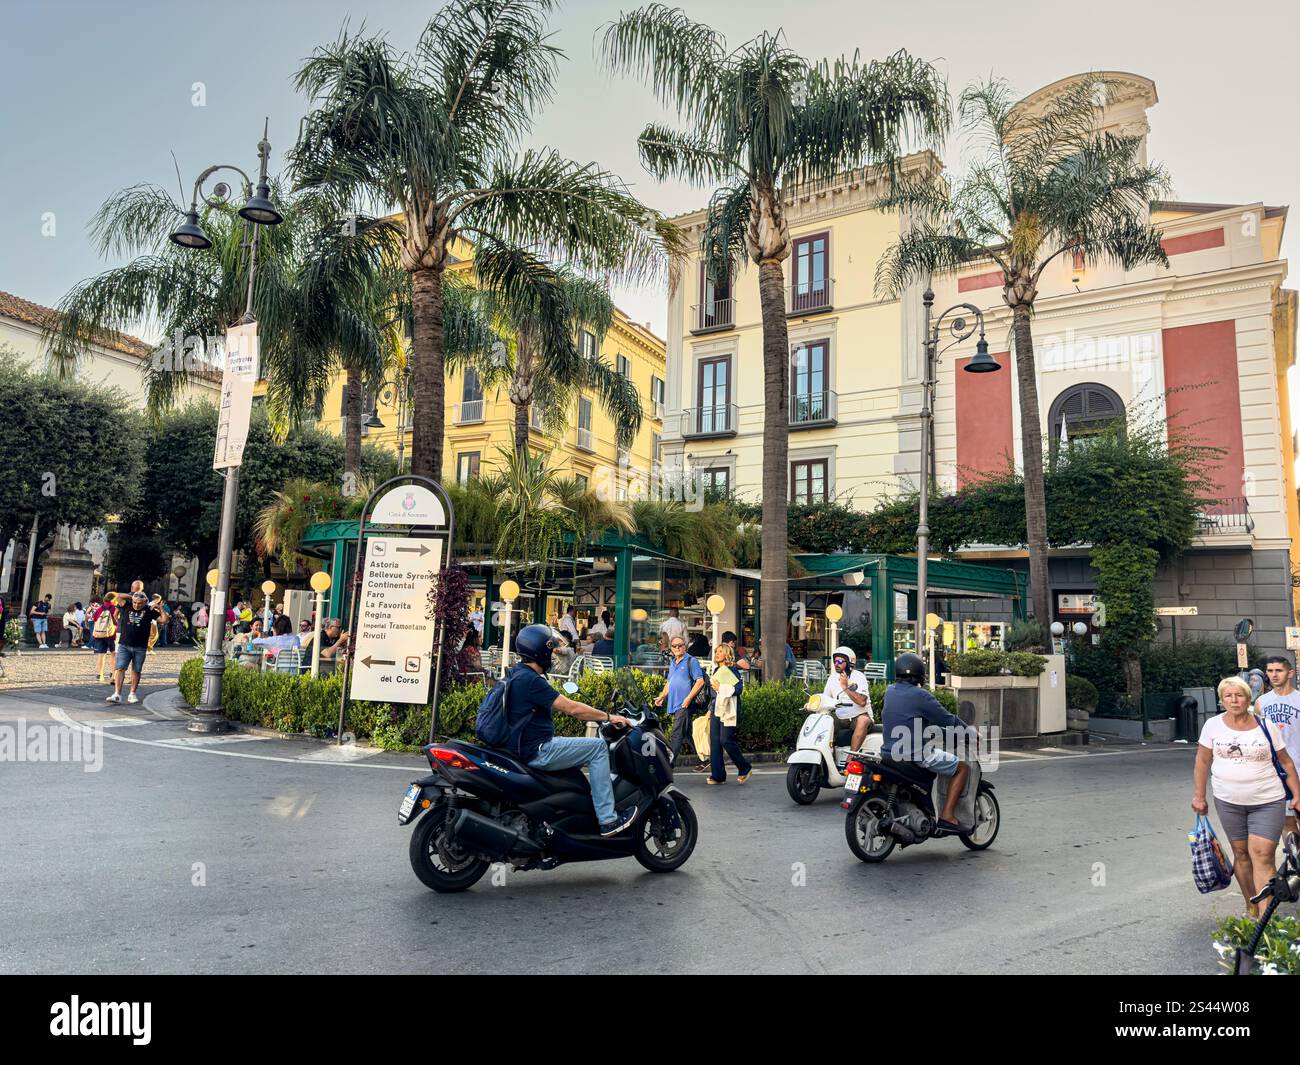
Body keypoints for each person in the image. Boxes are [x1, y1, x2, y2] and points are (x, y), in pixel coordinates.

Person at [502, 624, 638, 837]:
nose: (553, 654)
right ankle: (608, 820)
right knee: (598, 748)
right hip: (537, 750)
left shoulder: (516, 674)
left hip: (523, 746)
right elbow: (572, 708)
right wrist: (610, 717)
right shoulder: (531, 681)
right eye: (550, 649)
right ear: (539, 651)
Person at [1194, 675, 1300, 916]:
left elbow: (1286, 762)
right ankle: (1251, 903)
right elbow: (1202, 760)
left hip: (1267, 800)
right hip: (1228, 801)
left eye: (1239, 695)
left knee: (1262, 854)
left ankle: (1266, 917)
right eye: (1228, 696)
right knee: (1241, 854)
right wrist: (1199, 796)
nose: (1234, 700)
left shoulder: (1265, 725)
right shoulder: (1212, 726)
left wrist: (1297, 795)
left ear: (1248, 698)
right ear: (1222, 700)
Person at [882, 652, 972, 832]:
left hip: (888, 753)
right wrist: (968, 732)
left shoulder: (889, 691)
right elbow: (947, 719)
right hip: (914, 755)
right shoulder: (920, 695)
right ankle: (947, 815)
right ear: (920, 674)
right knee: (963, 768)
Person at [1255, 654, 1300, 837]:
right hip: (1275, 769)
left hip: (1298, 763)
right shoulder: (1261, 702)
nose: (1274, 675)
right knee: (1286, 820)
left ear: (1290, 673)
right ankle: (1295, 860)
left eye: (1279, 671)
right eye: (1270, 671)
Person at [654, 632, 709, 771]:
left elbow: (700, 681)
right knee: (689, 734)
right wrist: (662, 696)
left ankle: (668, 764)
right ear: (671, 648)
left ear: (685, 646)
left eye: (680, 645)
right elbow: (670, 683)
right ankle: (709, 759)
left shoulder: (691, 661)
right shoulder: (673, 662)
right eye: (675, 646)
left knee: (676, 734)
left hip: (684, 704)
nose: (678, 648)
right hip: (675, 703)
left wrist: (688, 698)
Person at [707, 642, 753, 784]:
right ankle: (718, 775)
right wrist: (709, 710)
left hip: (729, 709)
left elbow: (739, 689)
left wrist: (721, 687)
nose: (717, 654)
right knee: (715, 742)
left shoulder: (732, 670)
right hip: (716, 708)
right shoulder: (715, 671)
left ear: (727, 654)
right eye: (716, 651)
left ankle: (744, 767)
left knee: (725, 740)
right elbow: (713, 694)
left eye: (720, 651)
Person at [106, 591, 160, 705]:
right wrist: (134, 597)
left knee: (136, 670)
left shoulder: (149, 611)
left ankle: (132, 694)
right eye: (135, 602)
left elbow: (164, 620)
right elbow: (118, 596)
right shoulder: (127, 606)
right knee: (120, 668)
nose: (136, 605)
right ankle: (117, 694)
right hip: (124, 644)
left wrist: (160, 608)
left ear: (145, 602)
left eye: (140, 603)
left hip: (140, 646)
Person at [825, 645, 874, 752]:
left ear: (849, 662)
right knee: (823, 719)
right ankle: (825, 757)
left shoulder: (859, 676)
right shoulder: (832, 678)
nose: (836, 664)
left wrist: (845, 686)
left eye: (840, 661)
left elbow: (862, 702)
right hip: (840, 717)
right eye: (835, 661)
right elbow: (826, 698)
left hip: (858, 716)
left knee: (863, 720)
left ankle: (851, 758)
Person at [89, 595, 119, 682]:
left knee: (101, 654)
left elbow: (94, 619)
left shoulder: (100, 608)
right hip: (111, 635)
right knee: (114, 654)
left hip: (100, 634)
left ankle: (100, 674)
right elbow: (117, 620)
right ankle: (112, 673)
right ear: (113, 600)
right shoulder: (114, 608)